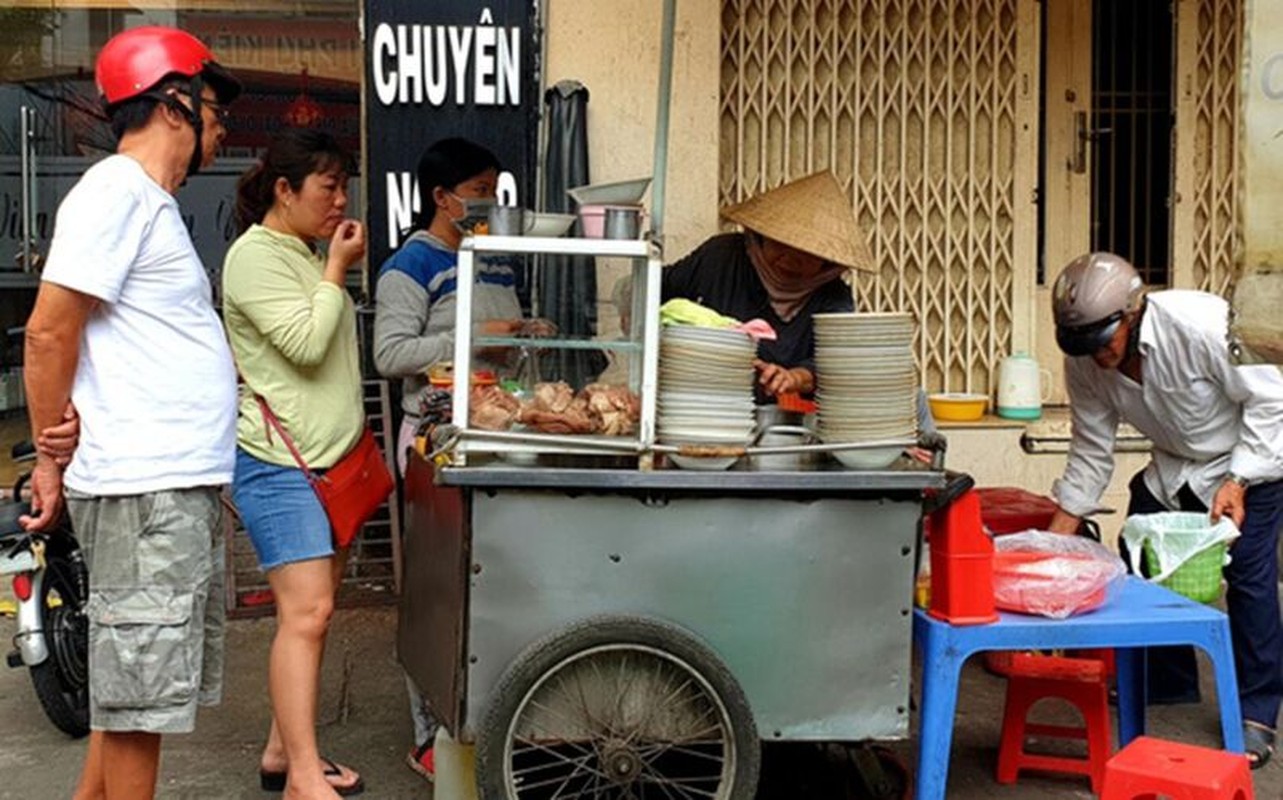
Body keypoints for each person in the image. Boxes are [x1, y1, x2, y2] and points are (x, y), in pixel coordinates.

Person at [21, 25, 240, 800]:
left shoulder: (143, 201)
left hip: (161, 487)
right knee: (141, 698)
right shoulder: (116, 192)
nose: (223, 124)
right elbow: (50, 329)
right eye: (213, 104)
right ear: (174, 102)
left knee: (131, 688)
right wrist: (50, 456)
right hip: (144, 493)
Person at [1045, 252, 1283, 768]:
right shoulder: (1086, 360)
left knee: (1248, 577)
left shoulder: (1200, 325)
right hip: (1175, 466)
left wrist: (1240, 478)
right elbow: (1091, 447)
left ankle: (1258, 712)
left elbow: (1271, 399)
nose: (1098, 354)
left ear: (1132, 314)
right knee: (1139, 559)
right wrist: (1057, 534)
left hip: (1251, 456)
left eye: (1105, 338)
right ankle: (1167, 680)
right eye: (1084, 345)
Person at [222, 128, 367, 797]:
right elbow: (307, 346)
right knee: (305, 615)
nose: (339, 200)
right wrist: (336, 272)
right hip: (282, 468)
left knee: (312, 613)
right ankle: (305, 778)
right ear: (284, 189)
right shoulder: (255, 258)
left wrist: (327, 268)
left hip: (329, 467)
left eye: (342, 186)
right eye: (327, 186)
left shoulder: (303, 252)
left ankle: (284, 751)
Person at [662, 171, 874, 405]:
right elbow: (658, 288)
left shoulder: (833, 295)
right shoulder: (721, 258)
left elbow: (835, 362)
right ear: (761, 238)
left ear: (827, 263)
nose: (790, 260)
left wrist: (794, 377)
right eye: (781, 245)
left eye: (808, 254)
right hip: (702, 402)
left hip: (777, 418)